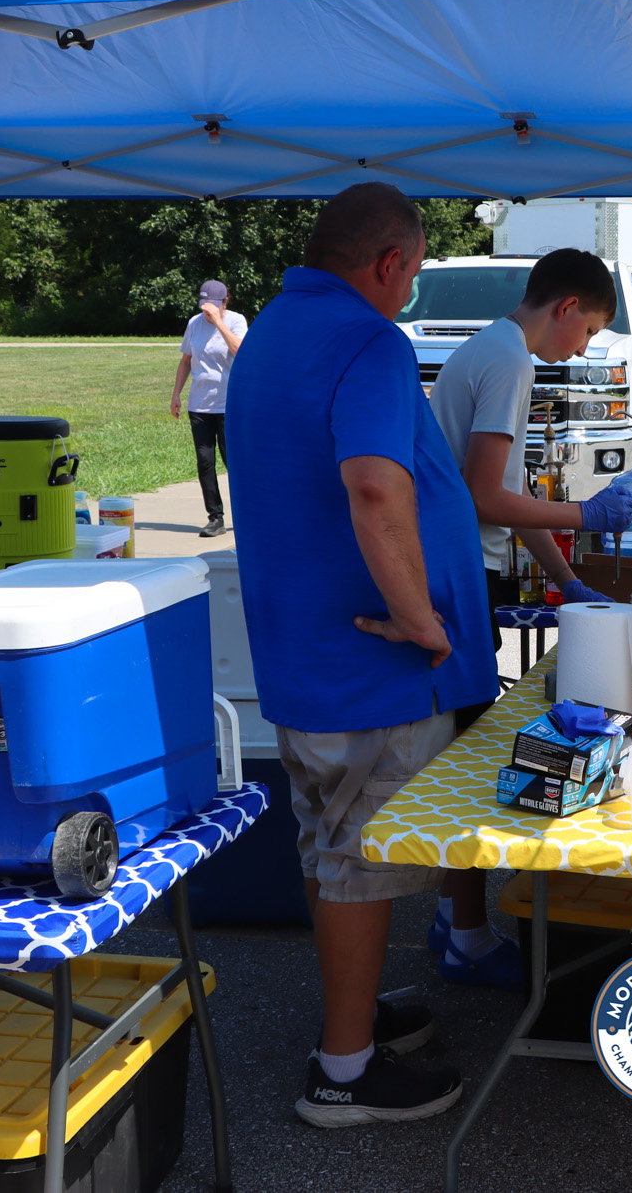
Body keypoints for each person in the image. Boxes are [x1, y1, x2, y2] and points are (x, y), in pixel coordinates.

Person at [226, 182, 495, 1127]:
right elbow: (376, 489)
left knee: (326, 843)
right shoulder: (369, 339)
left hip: (304, 652)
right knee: (357, 854)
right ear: (391, 264)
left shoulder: (269, 331)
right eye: (416, 271)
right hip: (367, 665)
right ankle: (343, 1072)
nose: (411, 287)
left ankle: (356, 1008)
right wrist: (423, 619)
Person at [424, 247, 632, 987]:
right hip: (456, 573)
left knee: (462, 742)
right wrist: (585, 509)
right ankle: (468, 935)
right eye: (588, 332)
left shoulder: (489, 347)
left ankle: (455, 914)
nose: (581, 349)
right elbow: (486, 496)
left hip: (456, 565)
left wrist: (568, 578)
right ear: (566, 308)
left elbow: (504, 494)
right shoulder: (510, 362)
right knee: (468, 757)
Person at [170, 280, 248, 537]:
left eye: (213, 306)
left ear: (225, 301)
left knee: (233, 462)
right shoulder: (194, 323)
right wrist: (176, 394)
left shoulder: (236, 321)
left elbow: (241, 351)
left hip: (229, 404)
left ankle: (248, 515)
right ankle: (215, 517)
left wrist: (219, 323)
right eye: (205, 306)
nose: (208, 311)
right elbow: (186, 361)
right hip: (200, 405)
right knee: (205, 463)